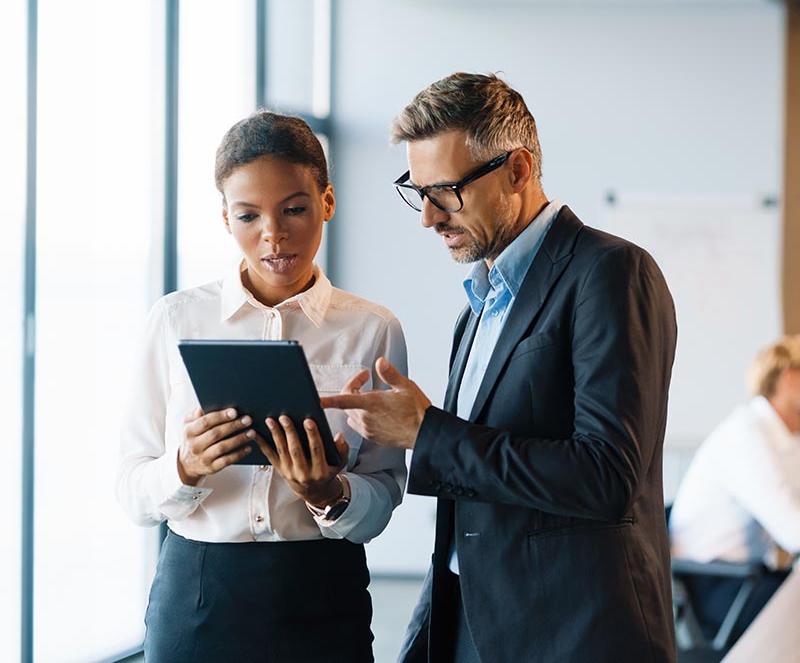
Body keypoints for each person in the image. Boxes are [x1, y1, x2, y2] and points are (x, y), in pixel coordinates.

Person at [322, 72, 678, 663]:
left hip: (575, 639)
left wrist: (425, 432)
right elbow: (468, 518)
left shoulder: (611, 272)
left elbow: (607, 477)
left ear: (518, 169)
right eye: (418, 191)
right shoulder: (480, 304)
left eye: (446, 192)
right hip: (473, 630)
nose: (428, 219)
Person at [116, 110, 407, 663]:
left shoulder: (374, 329)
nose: (273, 234)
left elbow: (386, 489)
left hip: (324, 596)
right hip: (196, 596)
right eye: (249, 215)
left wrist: (330, 495)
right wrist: (185, 467)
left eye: (295, 209)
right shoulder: (175, 320)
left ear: (327, 201)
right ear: (226, 219)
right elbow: (132, 490)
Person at [669, 335, 800, 643]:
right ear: (787, 377)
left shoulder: (787, 438)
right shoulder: (748, 434)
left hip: (748, 577)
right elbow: (794, 530)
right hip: (717, 585)